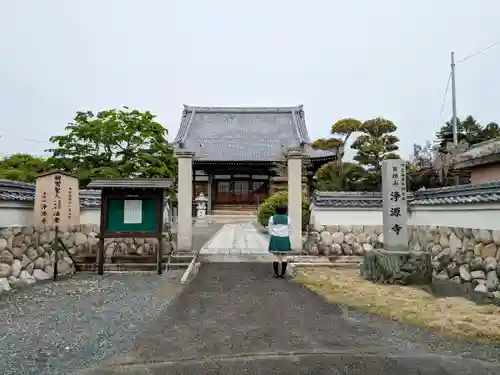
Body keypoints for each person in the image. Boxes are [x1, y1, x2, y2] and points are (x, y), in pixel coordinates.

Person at [268, 205, 292, 278]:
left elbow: (269, 229)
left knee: (276, 257)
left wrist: (273, 234)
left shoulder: (272, 218)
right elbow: (290, 230)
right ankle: (283, 274)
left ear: (276, 211)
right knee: (284, 257)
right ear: (285, 211)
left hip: (275, 238)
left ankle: (276, 273)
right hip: (284, 238)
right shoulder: (288, 219)